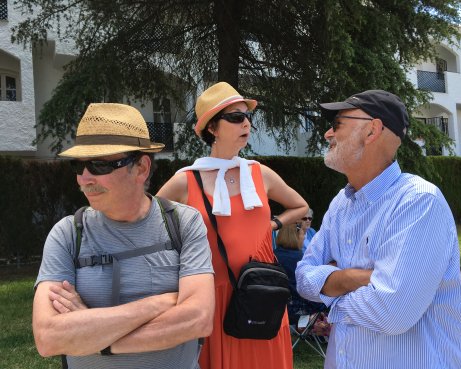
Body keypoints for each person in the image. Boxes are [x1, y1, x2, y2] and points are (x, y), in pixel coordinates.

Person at [32, 103, 215, 369]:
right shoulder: (68, 234)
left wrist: (96, 339)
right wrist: (158, 304)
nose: (84, 178)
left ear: (141, 168)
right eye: (78, 164)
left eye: (98, 165)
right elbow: (49, 337)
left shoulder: (183, 223)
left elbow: (197, 319)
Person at [296, 90, 461, 369]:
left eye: (337, 123)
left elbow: (391, 312)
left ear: (372, 130)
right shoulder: (341, 204)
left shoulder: (418, 201)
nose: (328, 133)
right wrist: (357, 277)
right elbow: (303, 278)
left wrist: (331, 296)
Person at [157, 81, 308, 369]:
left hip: (262, 291)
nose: (246, 123)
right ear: (212, 128)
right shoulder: (186, 180)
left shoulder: (259, 173)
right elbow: (148, 222)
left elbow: (300, 206)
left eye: (248, 116)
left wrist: (273, 224)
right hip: (214, 295)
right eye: (236, 117)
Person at [274, 223, 324, 324]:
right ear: (295, 237)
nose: (304, 237)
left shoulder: (272, 255)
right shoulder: (301, 260)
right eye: (303, 234)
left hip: (275, 308)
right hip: (296, 309)